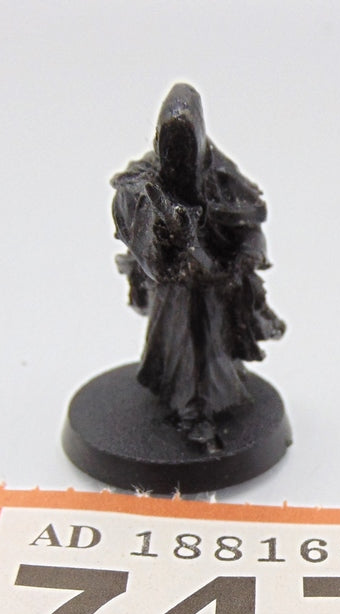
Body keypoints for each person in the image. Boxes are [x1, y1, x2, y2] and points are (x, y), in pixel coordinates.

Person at [111, 84, 285, 449]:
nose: (178, 156)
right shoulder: (145, 177)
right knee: (178, 343)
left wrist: (242, 257)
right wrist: (158, 230)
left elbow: (249, 219)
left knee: (209, 343)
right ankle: (187, 407)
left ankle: (203, 408)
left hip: (212, 280)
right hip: (173, 285)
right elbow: (132, 208)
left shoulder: (221, 176)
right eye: (171, 145)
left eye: (186, 144)